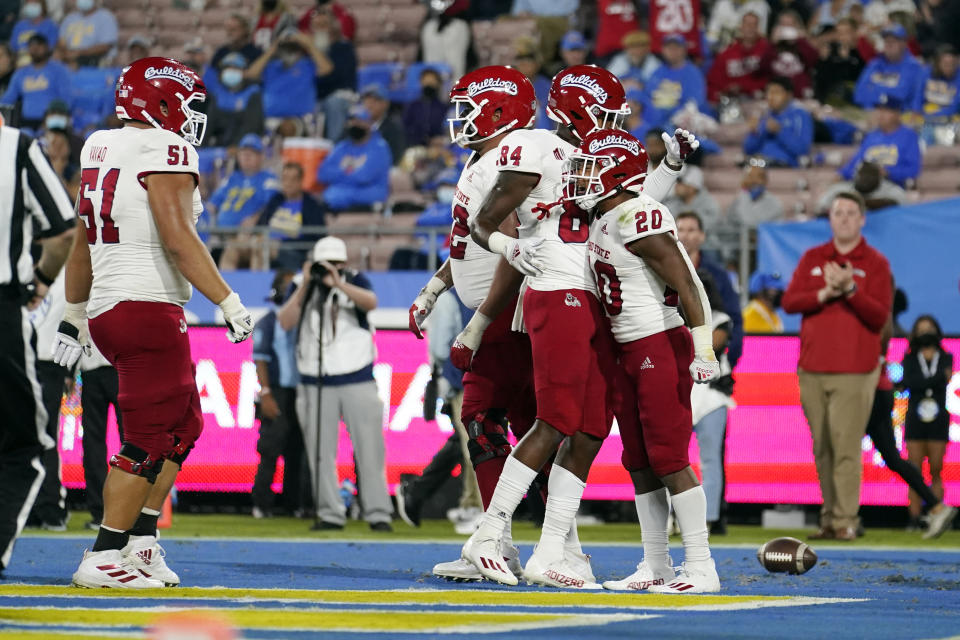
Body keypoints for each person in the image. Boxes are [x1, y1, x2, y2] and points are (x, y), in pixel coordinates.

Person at [454, 66, 695, 588]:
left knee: (589, 427)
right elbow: (483, 221)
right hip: (555, 291)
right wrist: (506, 250)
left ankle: (555, 551)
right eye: (605, 110)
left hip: (584, 299)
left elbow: (628, 199)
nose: (610, 120)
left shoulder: (590, 158)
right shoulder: (536, 147)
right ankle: (490, 533)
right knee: (558, 419)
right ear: (583, 107)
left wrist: (670, 169)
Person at [53, 57, 254, 588]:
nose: (191, 116)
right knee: (145, 438)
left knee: (183, 425)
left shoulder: (100, 144)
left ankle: (141, 539)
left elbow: (83, 241)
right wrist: (228, 299)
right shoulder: (166, 148)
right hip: (145, 306)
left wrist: (74, 313)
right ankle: (103, 554)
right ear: (162, 101)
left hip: (112, 306)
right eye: (186, 103)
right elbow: (176, 236)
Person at [565, 128, 721, 593]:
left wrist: (703, 345)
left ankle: (701, 566)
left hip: (658, 341)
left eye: (591, 167)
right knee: (637, 459)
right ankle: (657, 564)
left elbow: (686, 283)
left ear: (613, 173)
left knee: (668, 457)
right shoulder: (610, 213)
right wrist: (669, 166)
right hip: (624, 348)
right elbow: (644, 189)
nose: (581, 178)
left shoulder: (639, 215)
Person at [406, 66, 542, 579]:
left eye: (470, 106)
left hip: (507, 309)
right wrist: (436, 287)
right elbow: (469, 244)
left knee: (486, 419)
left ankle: (502, 540)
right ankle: (532, 543)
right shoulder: (482, 160)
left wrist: (480, 320)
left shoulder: (503, 163)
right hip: (498, 307)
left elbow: (512, 247)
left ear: (500, 109)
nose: (460, 117)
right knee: (526, 425)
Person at [781, 191, 892, 541]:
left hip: (855, 369)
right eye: (837, 213)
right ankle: (829, 518)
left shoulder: (875, 262)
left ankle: (846, 519)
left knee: (845, 445)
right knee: (822, 446)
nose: (843, 218)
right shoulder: (814, 257)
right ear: (829, 219)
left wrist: (849, 290)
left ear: (862, 219)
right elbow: (789, 301)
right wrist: (823, 295)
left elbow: (879, 317)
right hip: (812, 366)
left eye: (850, 213)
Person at [0, 119, 83, 576]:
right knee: (25, 442)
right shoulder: (15, 147)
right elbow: (65, 233)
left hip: (41, 345)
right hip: (4, 310)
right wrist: (41, 282)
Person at [277, 236, 392, 532]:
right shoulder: (302, 286)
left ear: (344, 263)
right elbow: (285, 321)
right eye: (324, 264)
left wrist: (338, 283)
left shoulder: (355, 280)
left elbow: (371, 303)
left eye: (336, 263)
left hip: (357, 376)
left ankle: (378, 512)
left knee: (370, 449)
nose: (330, 268)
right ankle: (329, 512)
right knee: (319, 451)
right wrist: (304, 284)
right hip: (314, 381)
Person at [251, 270, 309, 518]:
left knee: (297, 450)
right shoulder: (268, 322)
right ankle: (261, 503)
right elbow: (260, 360)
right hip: (277, 390)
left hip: (300, 391)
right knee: (270, 449)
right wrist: (266, 394)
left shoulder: (302, 319)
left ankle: (292, 504)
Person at [900, 315, 957, 538]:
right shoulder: (910, 358)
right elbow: (910, 383)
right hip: (915, 418)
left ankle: (938, 515)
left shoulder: (945, 356)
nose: (926, 332)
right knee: (913, 470)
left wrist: (923, 382)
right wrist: (935, 380)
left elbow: (923, 382)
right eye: (921, 329)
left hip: (938, 420)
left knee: (936, 469)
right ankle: (913, 519)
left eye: (929, 328)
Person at [26, 271, 72, 532]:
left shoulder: (61, 271)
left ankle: (46, 507)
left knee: (39, 436)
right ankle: (44, 507)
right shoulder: (67, 272)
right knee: (41, 436)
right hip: (41, 361)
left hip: (40, 360)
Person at [675, 212, 744, 369]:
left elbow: (734, 318)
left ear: (702, 236)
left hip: (712, 359)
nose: (685, 235)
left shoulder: (718, 274)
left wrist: (732, 357)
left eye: (691, 230)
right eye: (681, 229)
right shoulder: (661, 271)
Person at [244, 28, 333, 132]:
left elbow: (327, 68)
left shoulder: (307, 64)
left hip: (303, 120)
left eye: (293, 48)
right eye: (286, 48)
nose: (289, 51)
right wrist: (273, 48)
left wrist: (309, 45)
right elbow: (250, 74)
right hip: (271, 121)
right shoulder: (271, 66)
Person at [79, 337, 122, 530]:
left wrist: (69, 372)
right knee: (132, 440)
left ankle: (100, 513)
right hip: (122, 367)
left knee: (93, 442)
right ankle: (134, 510)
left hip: (91, 367)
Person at [315, 106, 391, 212]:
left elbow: (364, 177)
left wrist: (339, 174)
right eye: (352, 121)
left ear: (369, 124)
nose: (355, 124)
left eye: (360, 121)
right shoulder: (342, 147)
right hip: (338, 195)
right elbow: (322, 174)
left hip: (368, 197)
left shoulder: (379, 147)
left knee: (333, 196)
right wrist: (349, 172)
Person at [839, 94, 922, 188]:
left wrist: (887, 172)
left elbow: (913, 170)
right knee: (834, 193)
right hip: (862, 183)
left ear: (897, 114)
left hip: (889, 185)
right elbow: (855, 163)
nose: (881, 114)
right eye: (879, 109)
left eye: (886, 110)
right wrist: (840, 175)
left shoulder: (909, 136)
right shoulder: (871, 136)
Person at [256, 162, 326, 269]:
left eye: (293, 179)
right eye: (285, 179)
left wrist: (282, 242)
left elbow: (317, 235)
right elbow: (260, 225)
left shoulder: (311, 205)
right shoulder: (276, 200)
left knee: (261, 249)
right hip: (265, 245)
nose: (288, 183)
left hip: (294, 250)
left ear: (300, 181)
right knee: (232, 250)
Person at [0, 33, 70, 131]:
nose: (35, 49)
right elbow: (7, 99)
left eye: (39, 45)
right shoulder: (21, 73)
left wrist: (54, 119)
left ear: (47, 47)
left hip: (52, 121)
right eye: (31, 46)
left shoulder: (58, 70)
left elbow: (66, 99)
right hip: (26, 122)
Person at [208, 133, 280, 228]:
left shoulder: (268, 179)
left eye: (252, 153)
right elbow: (212, 205)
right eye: (243, 153)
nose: (246, 156)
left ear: (261, 156)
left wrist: (256, 219)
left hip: (250, 235)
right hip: (219, 233)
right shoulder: (231, 178)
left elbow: (274, 206)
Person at [640, 34, 708, 131]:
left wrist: (670, 113)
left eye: (676, 48)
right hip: (654, 119)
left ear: (684, 50)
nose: (672, 51)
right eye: (669, 48)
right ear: (663, 50)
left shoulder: (692, 73)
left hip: (679, 122)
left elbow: (694, 103)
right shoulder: (658, 71)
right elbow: (647, 96)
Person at [743, 76, 813, 167]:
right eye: (768, 92)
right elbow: (748, 149)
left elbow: (802, 150)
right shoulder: (764, 115)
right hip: (759, 163)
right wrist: (755, 133)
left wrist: (780, 131)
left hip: (784, 166)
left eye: (776, 92)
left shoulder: (800, 116)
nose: (770, 97)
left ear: (789, 95)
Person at [853, 24, 924, 110]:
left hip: (900, 117)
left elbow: (901, 95)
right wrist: (886, 94)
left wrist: (874, 89)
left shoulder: (914, 67)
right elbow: (859, 94)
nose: (889, 45)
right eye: (886, 41)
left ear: (904, 43)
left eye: (893, 41)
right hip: (871, 114)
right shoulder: (875, 64)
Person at [707, 12, 772, 103]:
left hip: (758, 99)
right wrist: (724, 91)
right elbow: (714, 81)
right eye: (747, 24)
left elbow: (770, 78)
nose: (750, 27)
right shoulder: (727, 53)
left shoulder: (767, 50)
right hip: (731, 100)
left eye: (754, 24)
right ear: (740, 27)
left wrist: (744, 87)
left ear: (758, 29)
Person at [204, 53, 265, 149]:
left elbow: (251, 125)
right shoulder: (218, 93)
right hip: (219, 146)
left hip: (245, 146)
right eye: (227, 68)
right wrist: (201, 147)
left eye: (235, 68)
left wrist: (236, 146)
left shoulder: (253, 92)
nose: (231, 72)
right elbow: (209, 124)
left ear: (244, 72)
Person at [814, 17, 870, 106]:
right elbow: (821, 79)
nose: (842, 36)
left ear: (855, 33)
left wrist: (846, 60)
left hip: (852, 100)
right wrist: (823, 60)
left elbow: (861, 77)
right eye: (839, 33)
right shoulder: (830, 51)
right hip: (828, 99)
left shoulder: (862, 52)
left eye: (846, 33)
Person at [816, 161, 906, 215]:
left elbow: (898, 206)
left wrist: (861, 202)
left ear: (879, 178)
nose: (865, 180)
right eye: (861, 176)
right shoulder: (840, 190)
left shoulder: (892, 191)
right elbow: (820, 211)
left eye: (869, 176)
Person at [726, 160, 786, 234]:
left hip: (767, 242)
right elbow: (729, 220)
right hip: (740, 241)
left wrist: (744, 196)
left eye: (756, 183)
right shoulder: (741, 198)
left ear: (764, 182)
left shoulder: (773, 203)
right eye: (750, 184)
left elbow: (750, 223)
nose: (754, 187)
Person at [420, 0, 472, 80]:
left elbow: (463, 5)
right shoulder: (429, 26)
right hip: (434, 20)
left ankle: (456, 86)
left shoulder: (460, 26)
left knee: (454, 57)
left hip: (458, 19)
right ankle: (433, 85)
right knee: (430, 34)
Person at [913, 45, 960, 133]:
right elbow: (917, 97)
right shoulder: (925, 72)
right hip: (925, 116)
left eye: (953, 64)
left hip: (950, 120)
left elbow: (955, 106)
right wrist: (917, 111)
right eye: (946, 64)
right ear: (937, 63)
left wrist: (930, 115)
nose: (949, 68)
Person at [661, 166, 722, 234]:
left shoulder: (709, 206)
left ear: (693, 186)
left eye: (680, 182)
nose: (676, 185)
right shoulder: (671, 202)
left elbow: (708, 232)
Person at [58, 0, 118, 67]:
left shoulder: (106, 17)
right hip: (69, 59)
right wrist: (67, 54)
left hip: (94, 60)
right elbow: (61, 41)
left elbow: (105, 46)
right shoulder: (69, 18)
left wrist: (79, 53)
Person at [402, 69, 448, 149]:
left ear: (438, 84)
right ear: (421, 83)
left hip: (439, 149)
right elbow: (405, 128)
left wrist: (441, 139)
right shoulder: (412, 106)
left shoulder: (443, 108)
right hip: (415, 147)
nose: (429, 85)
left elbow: (448, 130)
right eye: (426, 81)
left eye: (432, 82)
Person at [361, 84, 405, 165]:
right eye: (366, 100)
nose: (369, 105)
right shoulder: (356, 124)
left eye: (375, 101)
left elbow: (395, 157)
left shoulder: (394, 129)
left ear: (385, 104)